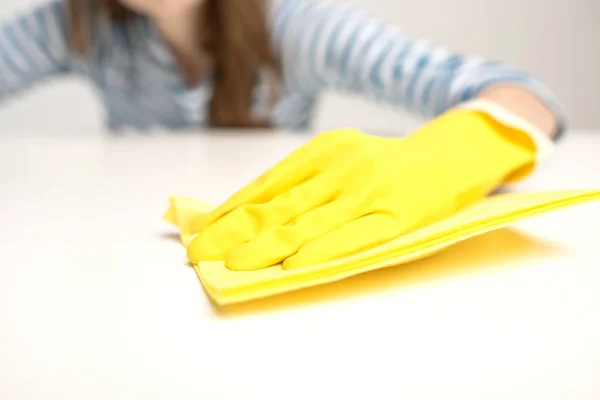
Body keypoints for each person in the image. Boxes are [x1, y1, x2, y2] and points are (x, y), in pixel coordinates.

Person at [1, 0, 567, 270]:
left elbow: (524, 96)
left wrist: (434, 163)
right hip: (124, 264)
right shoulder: (75, 24)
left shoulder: (296, 26)